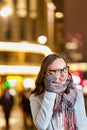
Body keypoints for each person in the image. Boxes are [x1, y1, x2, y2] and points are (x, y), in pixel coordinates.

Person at [29, 53, 87, 130]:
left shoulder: (77, 93)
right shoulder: (36, 97)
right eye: (57, 71)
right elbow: (41, 126)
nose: (63, 74)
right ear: (47, 74)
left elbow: (83, 124)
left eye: (65, 69)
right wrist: (50, 92)